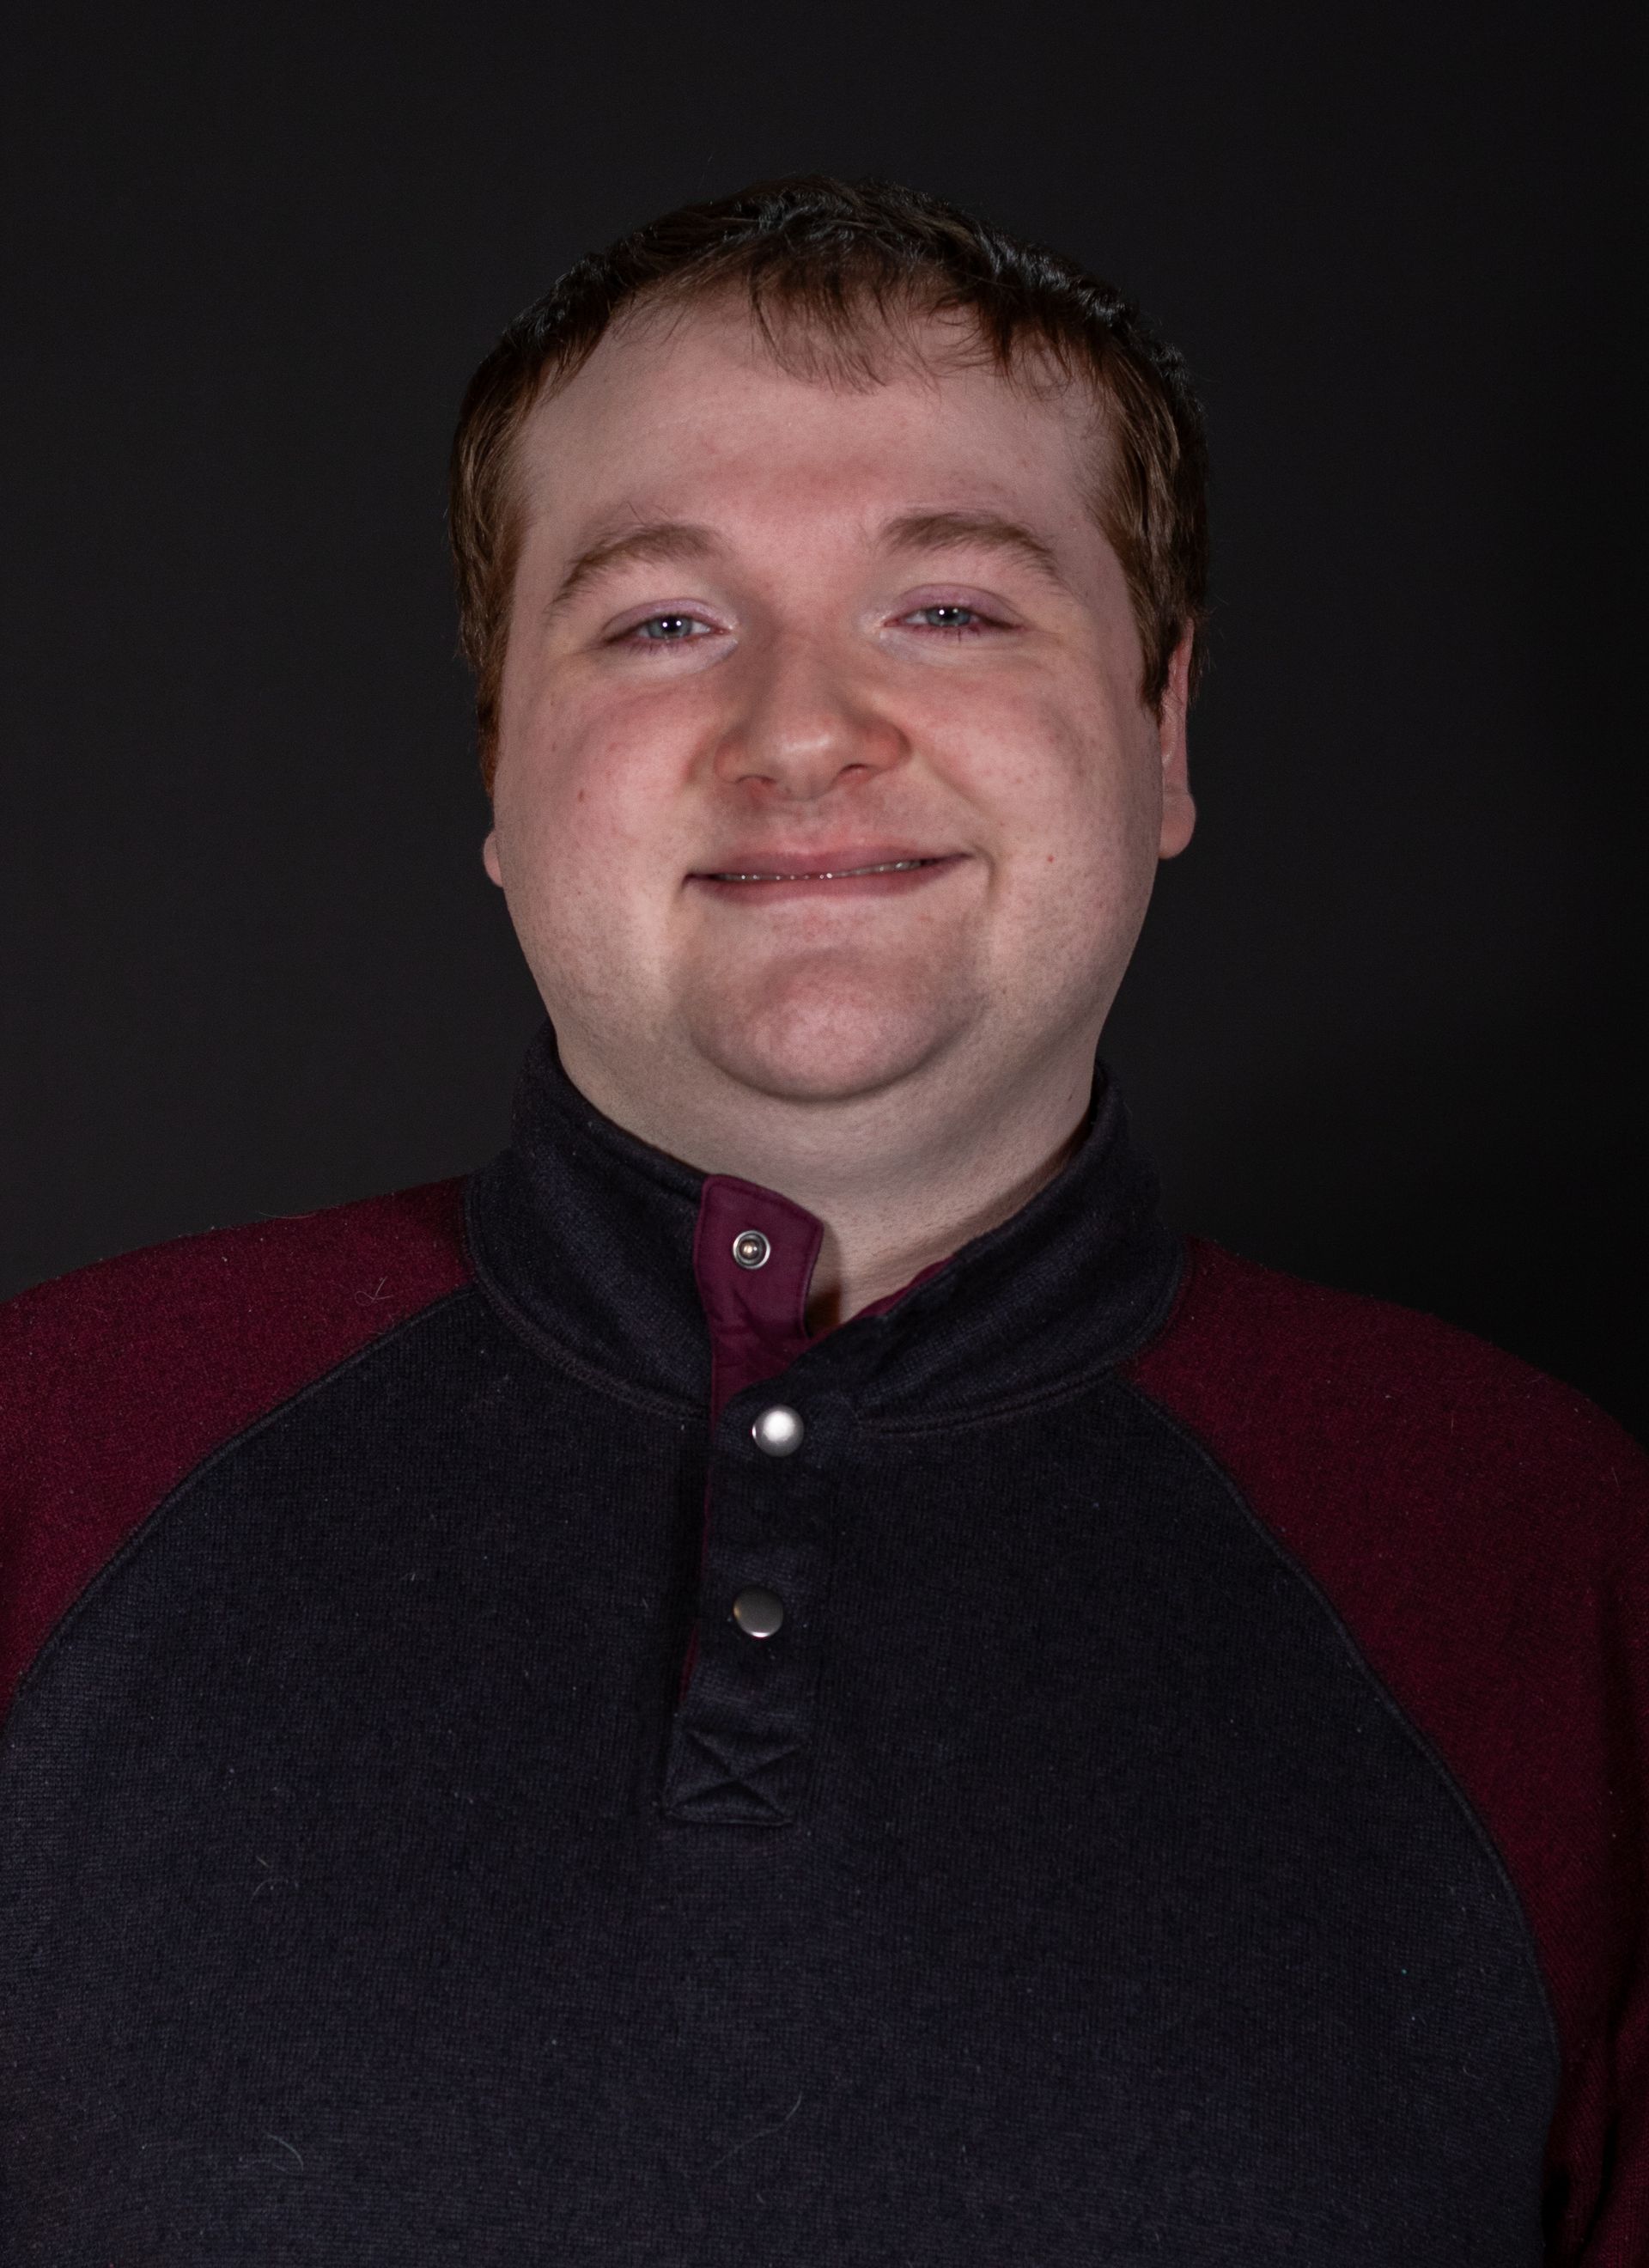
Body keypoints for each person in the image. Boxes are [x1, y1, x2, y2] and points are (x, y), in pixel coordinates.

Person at [0, 175, 1641, 2265]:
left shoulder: (1556, 1559)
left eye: (949, 609)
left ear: (1162, 734)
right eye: (661, 622)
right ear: (500, 764)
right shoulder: (49, 1464)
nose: (798, 734)